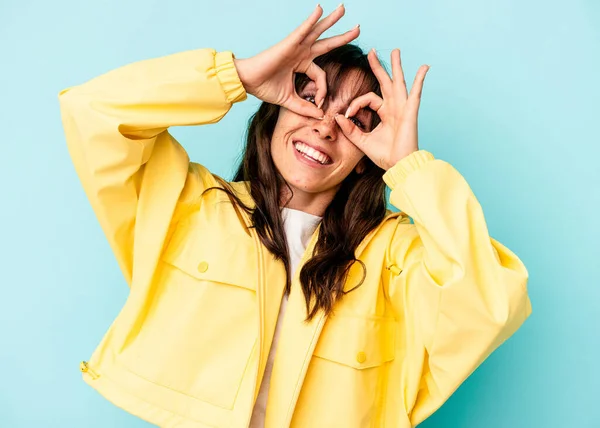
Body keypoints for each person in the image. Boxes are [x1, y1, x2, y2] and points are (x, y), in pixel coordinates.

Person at [59, 4, 532, 428]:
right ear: (275, 111)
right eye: (312, 100)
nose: (326, 127)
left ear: (367, 154)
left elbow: (490, 302)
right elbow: (93, 112)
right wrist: (238, 77)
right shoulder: (192, 205)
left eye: (354, 121)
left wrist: (408, 167)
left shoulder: (393, 255)